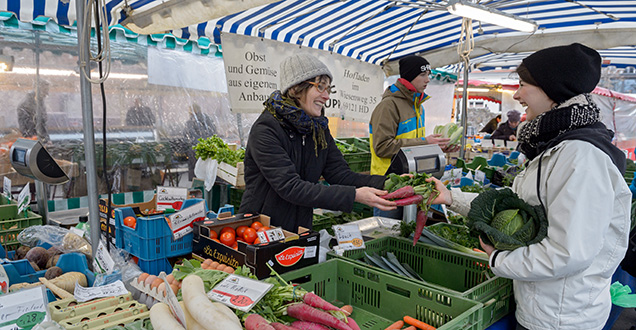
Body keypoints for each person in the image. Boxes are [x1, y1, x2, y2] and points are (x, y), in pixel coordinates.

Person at [427, 43, 631, 330]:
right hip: (542, 308)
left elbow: (568, 252)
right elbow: (514, 205)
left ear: (552, 90)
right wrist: (450, 197)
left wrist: (499, 259)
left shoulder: (581, 158)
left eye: (523, 85)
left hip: (561, 319)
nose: (516, 94)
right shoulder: (555, 145)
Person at [239, 54, 396, 232]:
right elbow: (290, 187)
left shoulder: (318, 129)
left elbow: (341, 175)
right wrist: (354, 195)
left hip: (299, 228)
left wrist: (390, 183)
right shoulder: (267, 129)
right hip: (260, 229)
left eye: (329, 89)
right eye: (320, 87)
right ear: (295, 89)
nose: (326, 96)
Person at [369, 55, 453, 219]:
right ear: (409, 76)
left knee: (407, 232)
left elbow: (414, 150)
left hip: (412, 183)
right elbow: (382, 147)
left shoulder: (418, 107)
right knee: (389, 232)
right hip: (388, 184)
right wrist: (424, 141)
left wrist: (438, 147)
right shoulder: (388, 106)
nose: (427, 80)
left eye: (428, 75)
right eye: (423, 75)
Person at [185, 103, 217, 180]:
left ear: (193, 111)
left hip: (195, 152)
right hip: (210, 150)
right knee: (208, 174)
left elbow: (188, 137)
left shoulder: (190, 122)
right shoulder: (208, 119)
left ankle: (198, 189)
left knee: (197, 175)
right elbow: (214, 132)